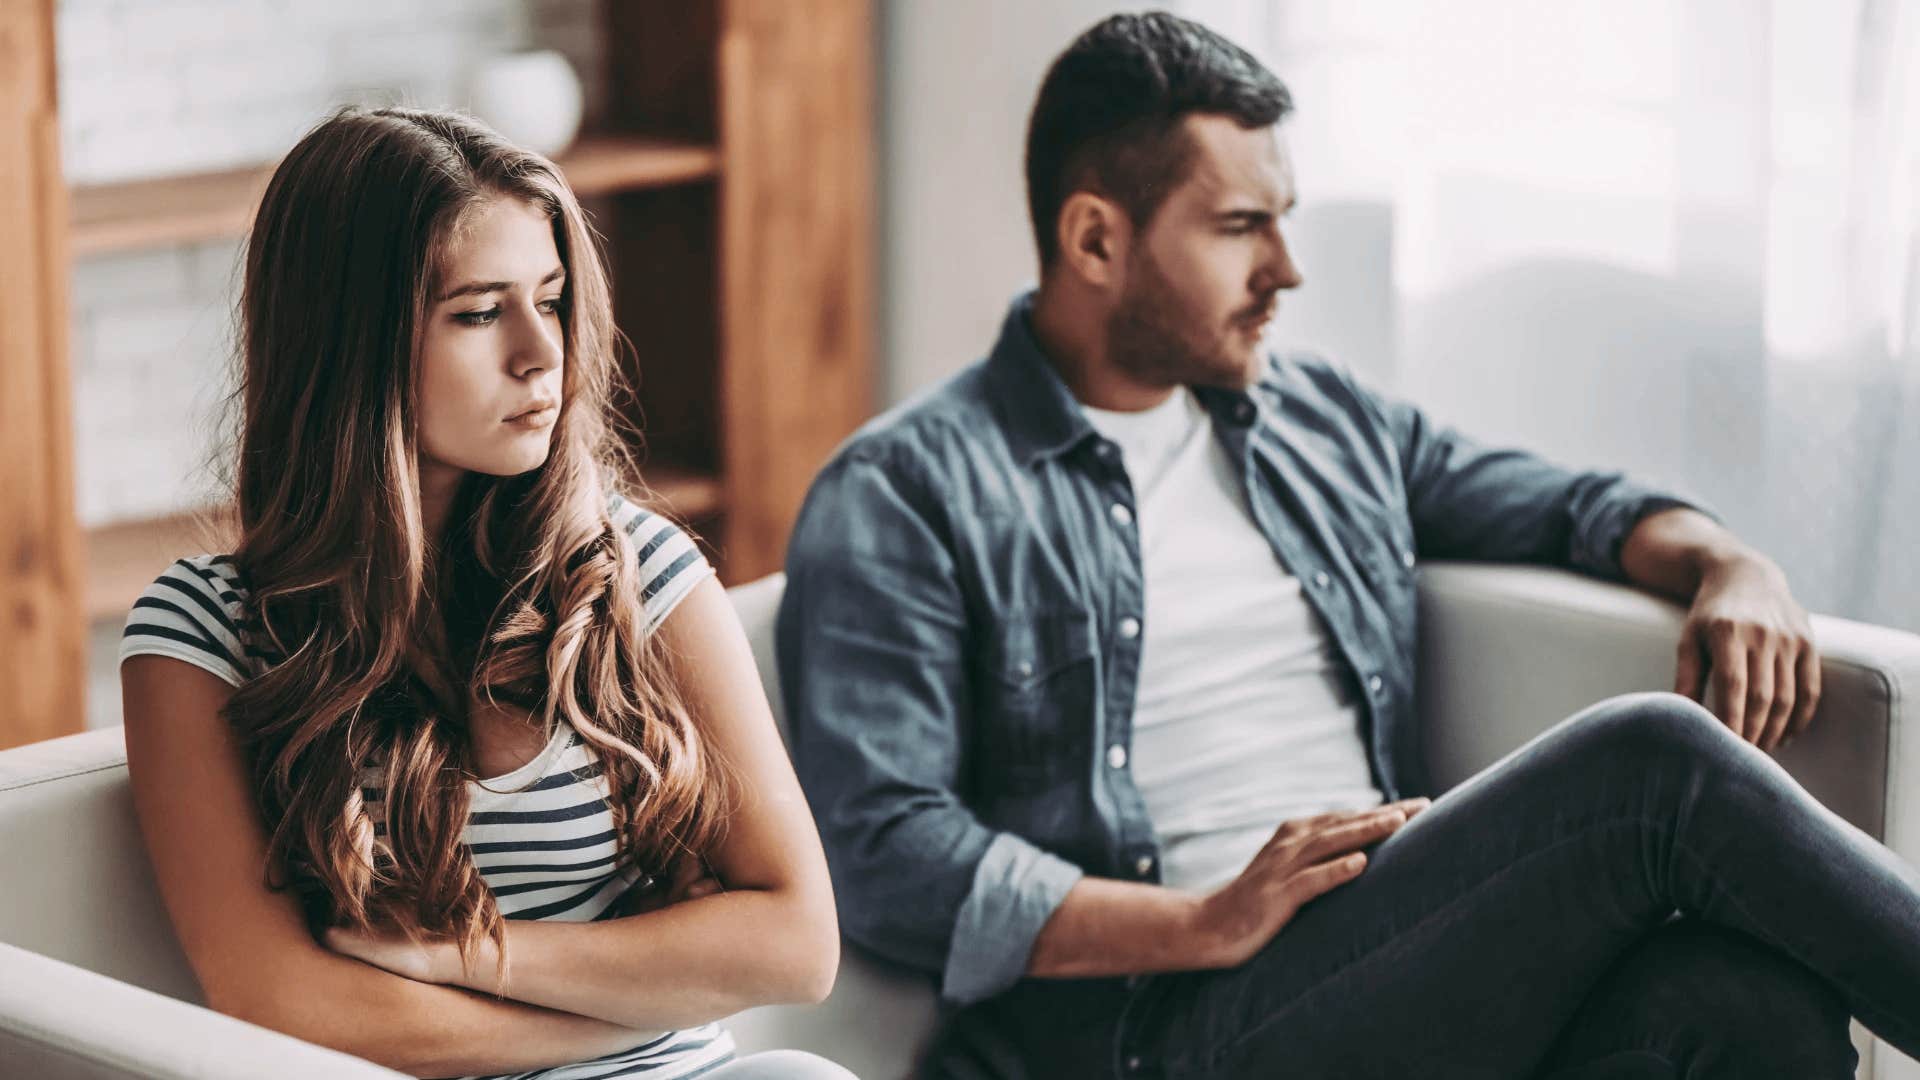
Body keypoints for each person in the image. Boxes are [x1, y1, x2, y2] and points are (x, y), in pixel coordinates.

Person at [777, 13, 1920, 1079]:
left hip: (1379, 961)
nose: (1286, 268)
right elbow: (888, 855)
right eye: (1239, 228)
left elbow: (1566, 508)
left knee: (1744, 1004)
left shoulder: (1316, 416)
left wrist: (1730, 562)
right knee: (1651, 765)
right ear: (1094, 239)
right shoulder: (908, 491)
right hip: (1152, 1021)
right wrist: (1206, 921)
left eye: (1282, 219)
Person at [120, 107, 857, 1080]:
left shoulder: (637, 569)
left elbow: (796, 944)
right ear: (350, 345)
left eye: (549, 301)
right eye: (477, 312)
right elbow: (280, 1001)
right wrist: (638, 1001)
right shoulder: (199, 636)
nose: (540, 355)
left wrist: (458, 954)